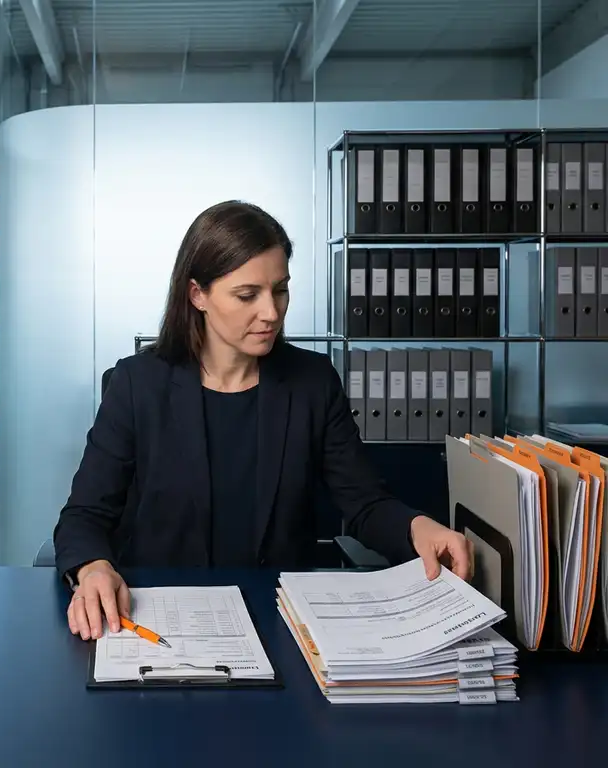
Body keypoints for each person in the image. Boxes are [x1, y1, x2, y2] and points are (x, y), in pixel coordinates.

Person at [52, 200, 474, 642]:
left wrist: (417, 527)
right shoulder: (137, 384)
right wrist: (92, 566)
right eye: (247, 295)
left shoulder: (312, 382)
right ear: (197, 295)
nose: (271, 312)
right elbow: (83, 516)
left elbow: (365, 504)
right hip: (160, 617)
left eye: (280, 290)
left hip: (278, 620)